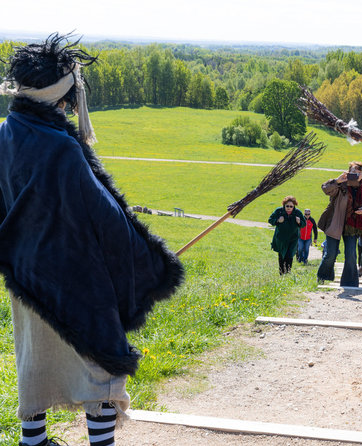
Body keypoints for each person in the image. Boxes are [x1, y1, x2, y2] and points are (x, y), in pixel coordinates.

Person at [0, 34, 184, 446]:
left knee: (37, 363)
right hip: (75, 281)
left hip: (25, 278)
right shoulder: (62, 147)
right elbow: (106, 217)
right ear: (62, 96)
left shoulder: (2, 136)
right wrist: (150, 261)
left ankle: (34, 442)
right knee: (99, 363)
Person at [317, 161, 362, 287]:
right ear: (348, 172)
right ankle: (323, 278)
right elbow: (325, 189)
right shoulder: (341, 185)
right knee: (331, 254)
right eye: (353, 171)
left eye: (358, 172)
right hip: (335, 222)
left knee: (351, 255)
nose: (356, 174)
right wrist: (337, 180)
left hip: (353, 226)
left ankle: (350, 283)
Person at [268, 196, 306, 274]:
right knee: (282, 255)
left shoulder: (297, 213)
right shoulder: (279, 211)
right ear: (284, 205)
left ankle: (288, 272)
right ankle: (281, 273)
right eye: (287, 206)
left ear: (294, 206)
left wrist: (299, 222)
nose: (289, 208)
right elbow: (270, 220)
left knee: (290, 255)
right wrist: (278, 220)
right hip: (281, 238)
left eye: (291, 206)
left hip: (293, 238)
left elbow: (304, 224)